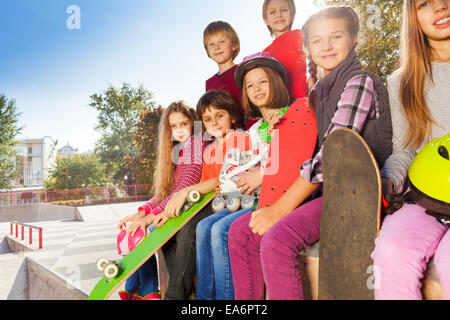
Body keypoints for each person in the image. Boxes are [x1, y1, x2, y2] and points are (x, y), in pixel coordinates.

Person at [228, 6, 393, 300]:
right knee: (241, 233)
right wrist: (284, 124)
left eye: (336, 36)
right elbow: (304, 142)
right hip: (327, 190)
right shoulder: (318, 93)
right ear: (307, 48)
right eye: (317, 40)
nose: (326, 46)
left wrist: (280, 209)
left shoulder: (359, 82)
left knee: (277, 239)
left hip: (357, 190)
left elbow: (331, 156)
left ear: (354, 38)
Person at [196, 52, 299, 300]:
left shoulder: (295, 113)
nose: (256, 88)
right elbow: (247, 164)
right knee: (204, 226)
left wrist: (262, 173)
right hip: (255, 196)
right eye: (250, 85)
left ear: (276, 81)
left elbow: (296, 161)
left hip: (283, 196)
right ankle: (205, 300)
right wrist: (231, 182)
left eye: (263, 81)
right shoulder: (254, 130)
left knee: (222, 229)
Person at [371, 0, 450, 300]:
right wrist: (387, 179)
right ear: (413, 16)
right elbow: (406, 149)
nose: (440, 7)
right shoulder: (402, 81)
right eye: (425, 3)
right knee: (390, 250)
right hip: (425, 198)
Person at [151, 90, 250, 299]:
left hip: (234, 200)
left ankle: (177, 295)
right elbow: (206, 184)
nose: (214, 122)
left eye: (219, 116)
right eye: (207, 119)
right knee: (173, 228)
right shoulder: (210, 150)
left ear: (232, 116)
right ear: (203, 123)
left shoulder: (240, 139)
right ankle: (184, 291)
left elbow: (222, 180)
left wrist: (187, 192)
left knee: (190, 227)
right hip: (213, 200)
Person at [116, 101, 205, 300]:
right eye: (174, 126)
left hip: (188, 210)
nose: (179, 130)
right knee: (134, 230)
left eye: (184, 124)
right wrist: (141, 213)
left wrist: (149, 219)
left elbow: (183, 187)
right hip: (176, 208)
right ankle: (137, 288)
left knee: (144, 233)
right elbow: (165, 192)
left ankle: (146, 290)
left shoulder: (197, 144)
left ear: (193, 123)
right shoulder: (180, 150)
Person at [203, 21, 253, 129]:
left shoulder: (244, 71)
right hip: (224, 136)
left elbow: (253, 105)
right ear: (207, 50)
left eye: (222, 41)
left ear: (234, 45)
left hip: (249, 131)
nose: (217, 47)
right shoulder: (209, 83)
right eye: (211, 44)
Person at [262, 0, 308, 99]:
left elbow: (315, 58)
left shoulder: (298, 35)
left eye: (284, 10)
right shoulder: (264, 53)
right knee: (281, 114)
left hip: (302, 101)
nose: (279, 15)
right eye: (272, 12)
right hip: (282, 107)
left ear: (292, 15)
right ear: (266, 20)